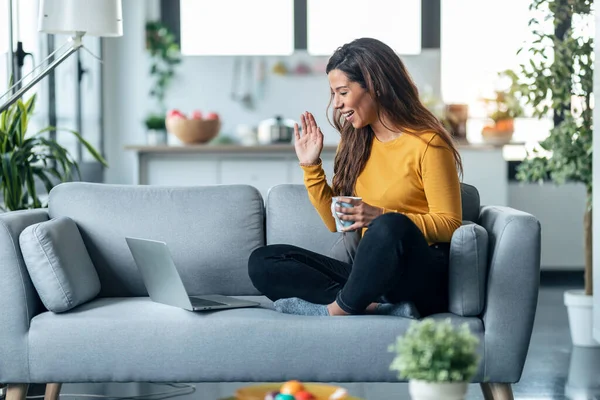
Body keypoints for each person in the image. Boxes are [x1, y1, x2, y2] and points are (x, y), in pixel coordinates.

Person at [248, 37, 463, 318]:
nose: (336, 104)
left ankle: (339, 310)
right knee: (264, 261)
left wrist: (378, 215)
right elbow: (335, 222)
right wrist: (310, 166)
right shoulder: (356, 143)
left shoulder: (428, 143)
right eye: (333, 94)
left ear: (374, 85)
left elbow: (450, 224)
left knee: (388, 226)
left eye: (343, 92)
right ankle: (378, 307)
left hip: (417, 275)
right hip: (370, 276)